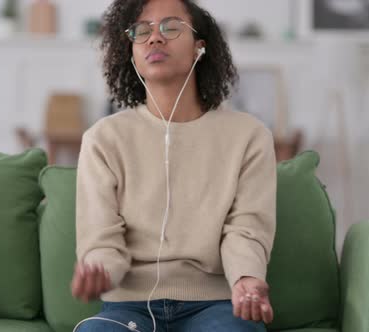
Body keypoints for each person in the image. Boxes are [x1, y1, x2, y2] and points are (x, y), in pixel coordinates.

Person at [71, 0, 277, 331]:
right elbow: (101, 236)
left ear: (200, 46)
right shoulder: (104, 138)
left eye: (170, 27)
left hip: (216, 306)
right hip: (128, 306)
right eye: (142, 30)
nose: (154, 38)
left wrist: (247, 279)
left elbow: (246, 228)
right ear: (131, 51)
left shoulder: (249, 136)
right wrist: (100, 270)